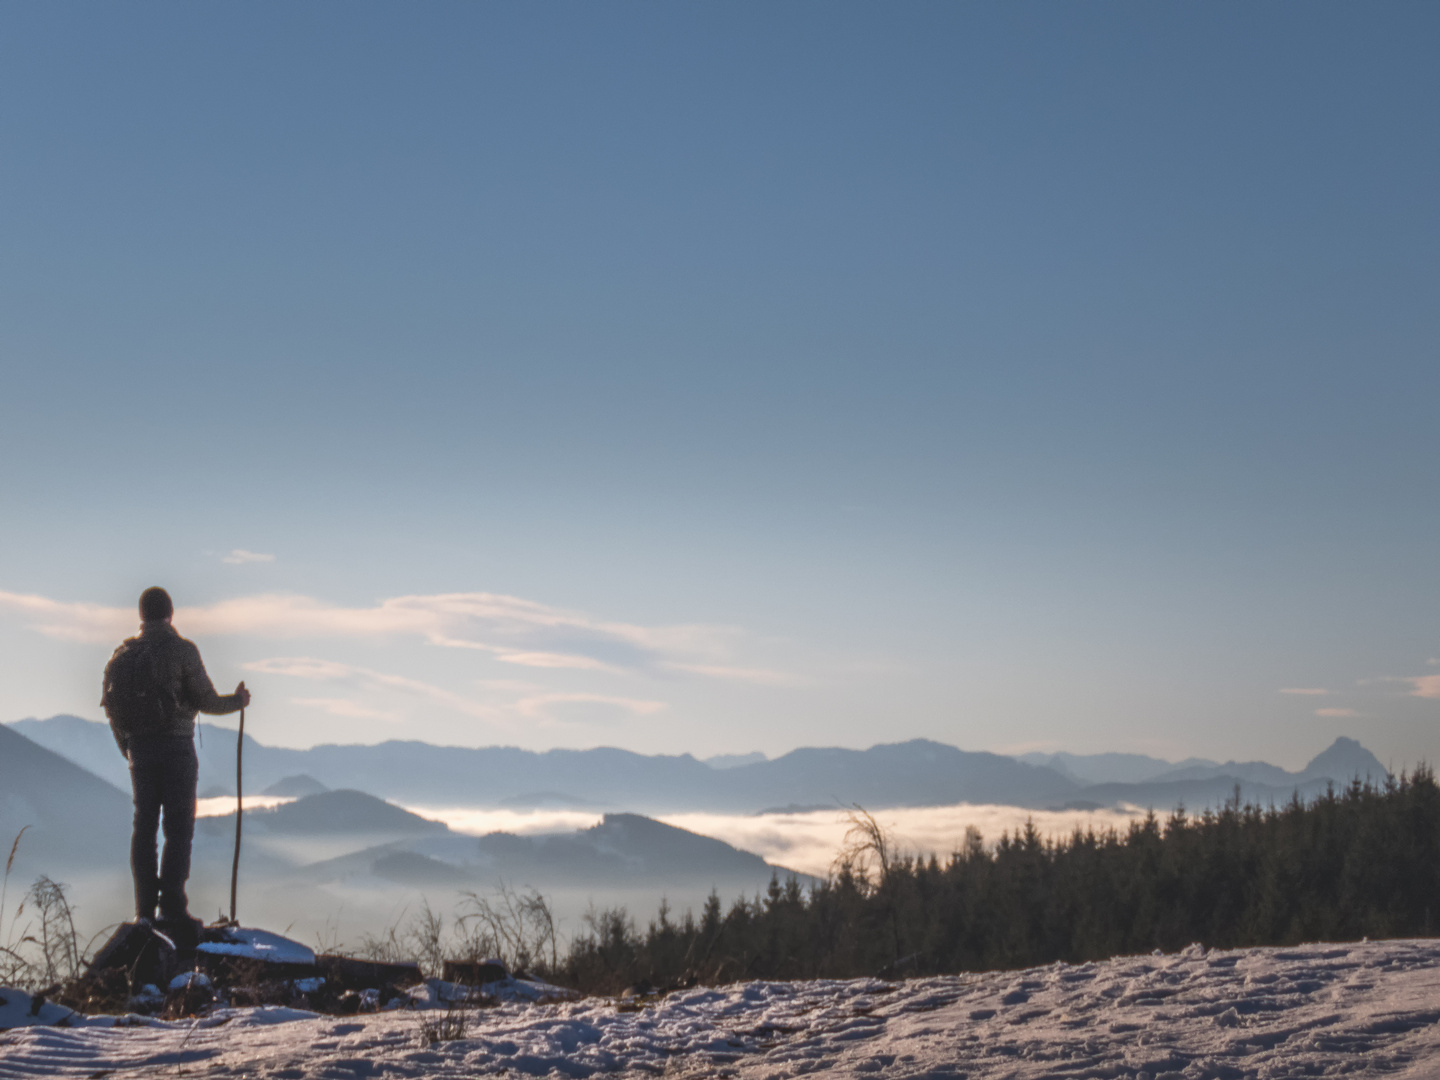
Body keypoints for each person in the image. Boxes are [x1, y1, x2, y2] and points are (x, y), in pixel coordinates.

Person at [102, 586, 250, 930]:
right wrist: (238, 701)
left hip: (139, 750)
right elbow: (207, 700)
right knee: (178, 827)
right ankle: (172, 907)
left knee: (145, 827)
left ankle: (144, 911)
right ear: (171, 613)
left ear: (141, 615)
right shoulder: (182, 651)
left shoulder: (120, 657)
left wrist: (129, 749)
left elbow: (112, 709)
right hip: (177, 748)